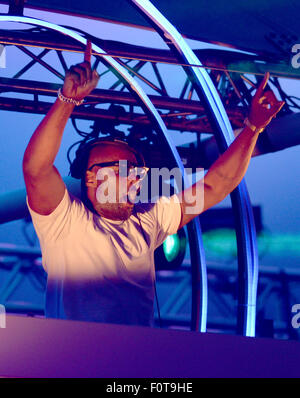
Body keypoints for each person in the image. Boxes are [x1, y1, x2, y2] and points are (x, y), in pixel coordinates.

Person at [23, 43, 284, 326]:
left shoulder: (152, 219)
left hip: (137, 362)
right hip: (75, 363)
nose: (136, 177)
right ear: (91, 176)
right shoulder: (65, 221)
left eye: (138, 170)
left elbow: (214, 186)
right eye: (124, 169)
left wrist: (253, 128)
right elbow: (36, 168)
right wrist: (66, 100)